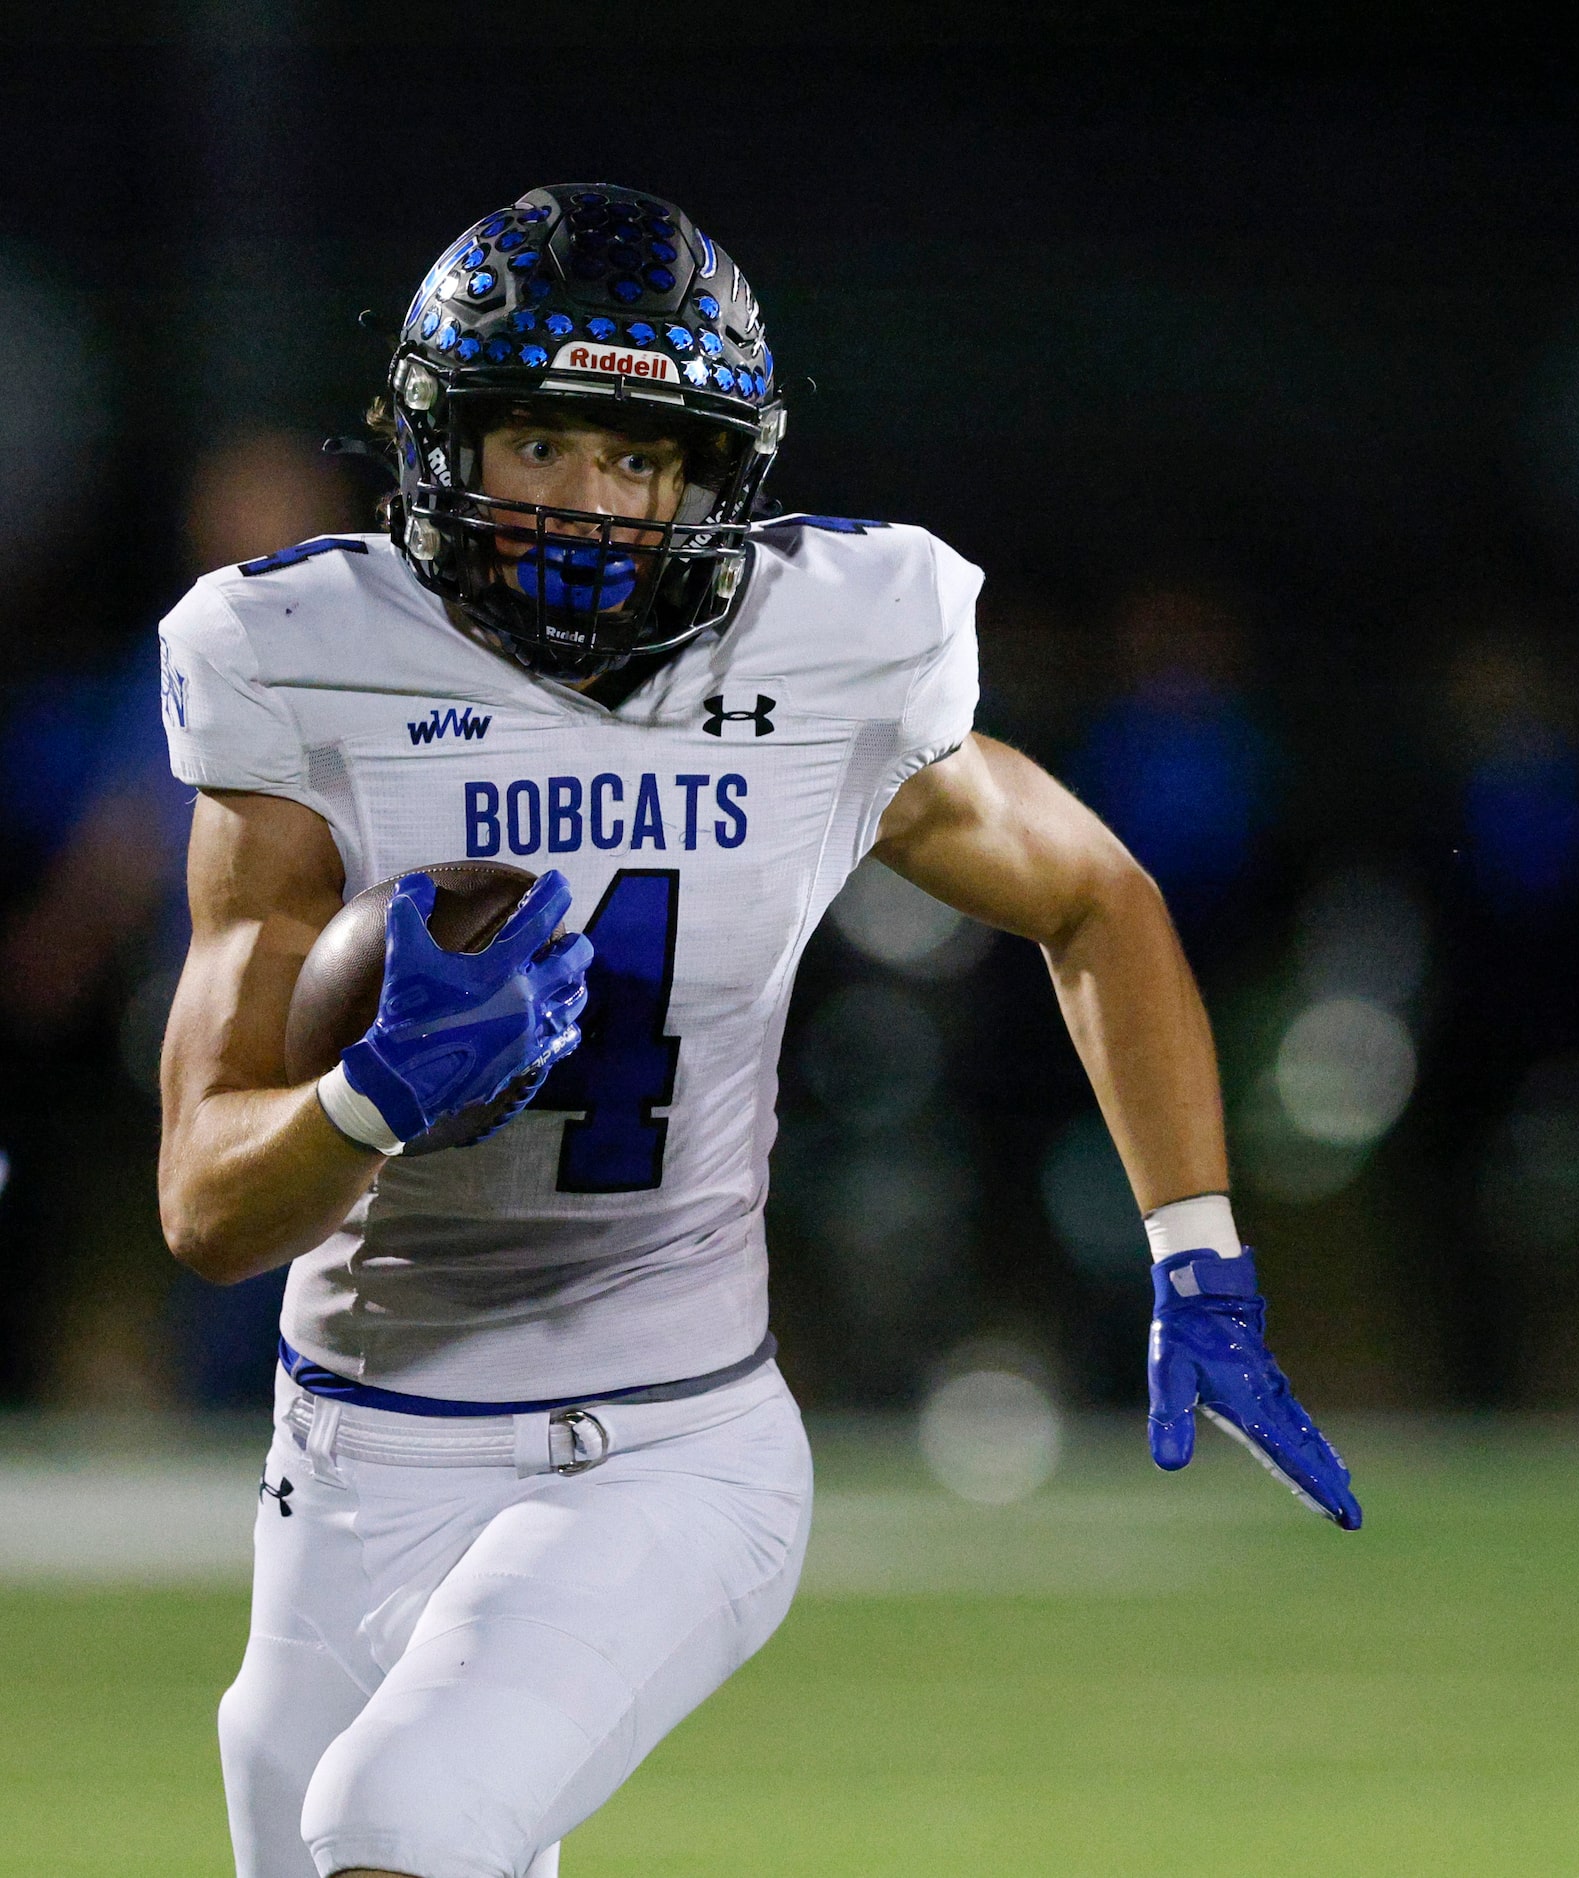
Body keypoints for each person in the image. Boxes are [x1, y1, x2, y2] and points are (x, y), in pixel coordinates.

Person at [156, 183, 1359, 1878]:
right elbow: (205, 1206)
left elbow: (1096, 896)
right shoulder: (307, 661)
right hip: (349, 1449)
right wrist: (367, 1095)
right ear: (442, 444)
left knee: (401, 1821)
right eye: (549, 446)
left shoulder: (828, 651)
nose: (593, 506)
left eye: (642, 459)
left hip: (667, 1439)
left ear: (716, 478)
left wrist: (1198, 1248)